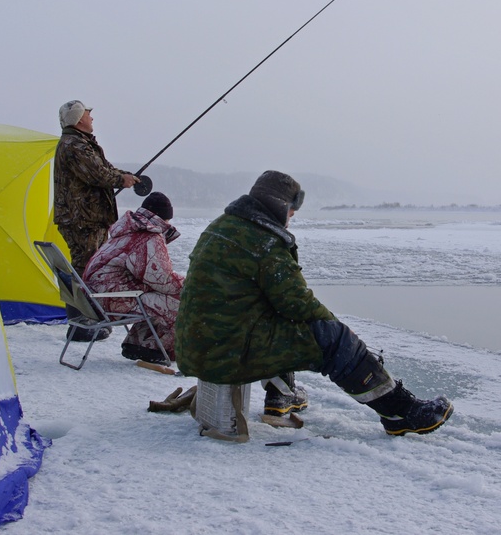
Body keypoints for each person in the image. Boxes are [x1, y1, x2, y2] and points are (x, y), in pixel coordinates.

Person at [175, 170, 453, 436]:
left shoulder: (225, 226)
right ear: (278, 206)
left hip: (199, 346)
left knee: (280, 320)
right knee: (331, 337)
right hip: (225, 351)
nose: (289, 221)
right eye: (290, 214)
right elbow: (296, 302)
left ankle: (281, 394)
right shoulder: (262, 240)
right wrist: (338, 328)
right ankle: (399, 412)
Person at [53, 99, 139, 341]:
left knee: (84, 267)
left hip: (84, 217)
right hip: (82, 219)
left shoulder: (80, 143)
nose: (92, 118)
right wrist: (121, 180)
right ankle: (83, 325)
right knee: (85, 269)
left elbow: (103, 169)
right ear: (79, 119)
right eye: (89, 115)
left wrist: (123, 176)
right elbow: (98, 173)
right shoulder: (75, 146)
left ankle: (85, 322)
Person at [83, 192, 183, 365]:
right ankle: (159, 347)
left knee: (153, 296)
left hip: (95, 296)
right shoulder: (148, 235)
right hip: (111, 300)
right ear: (164, 218)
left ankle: (139, 344)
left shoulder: (128, 230)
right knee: (182, 299)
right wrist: (192, 286)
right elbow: (163, 280)